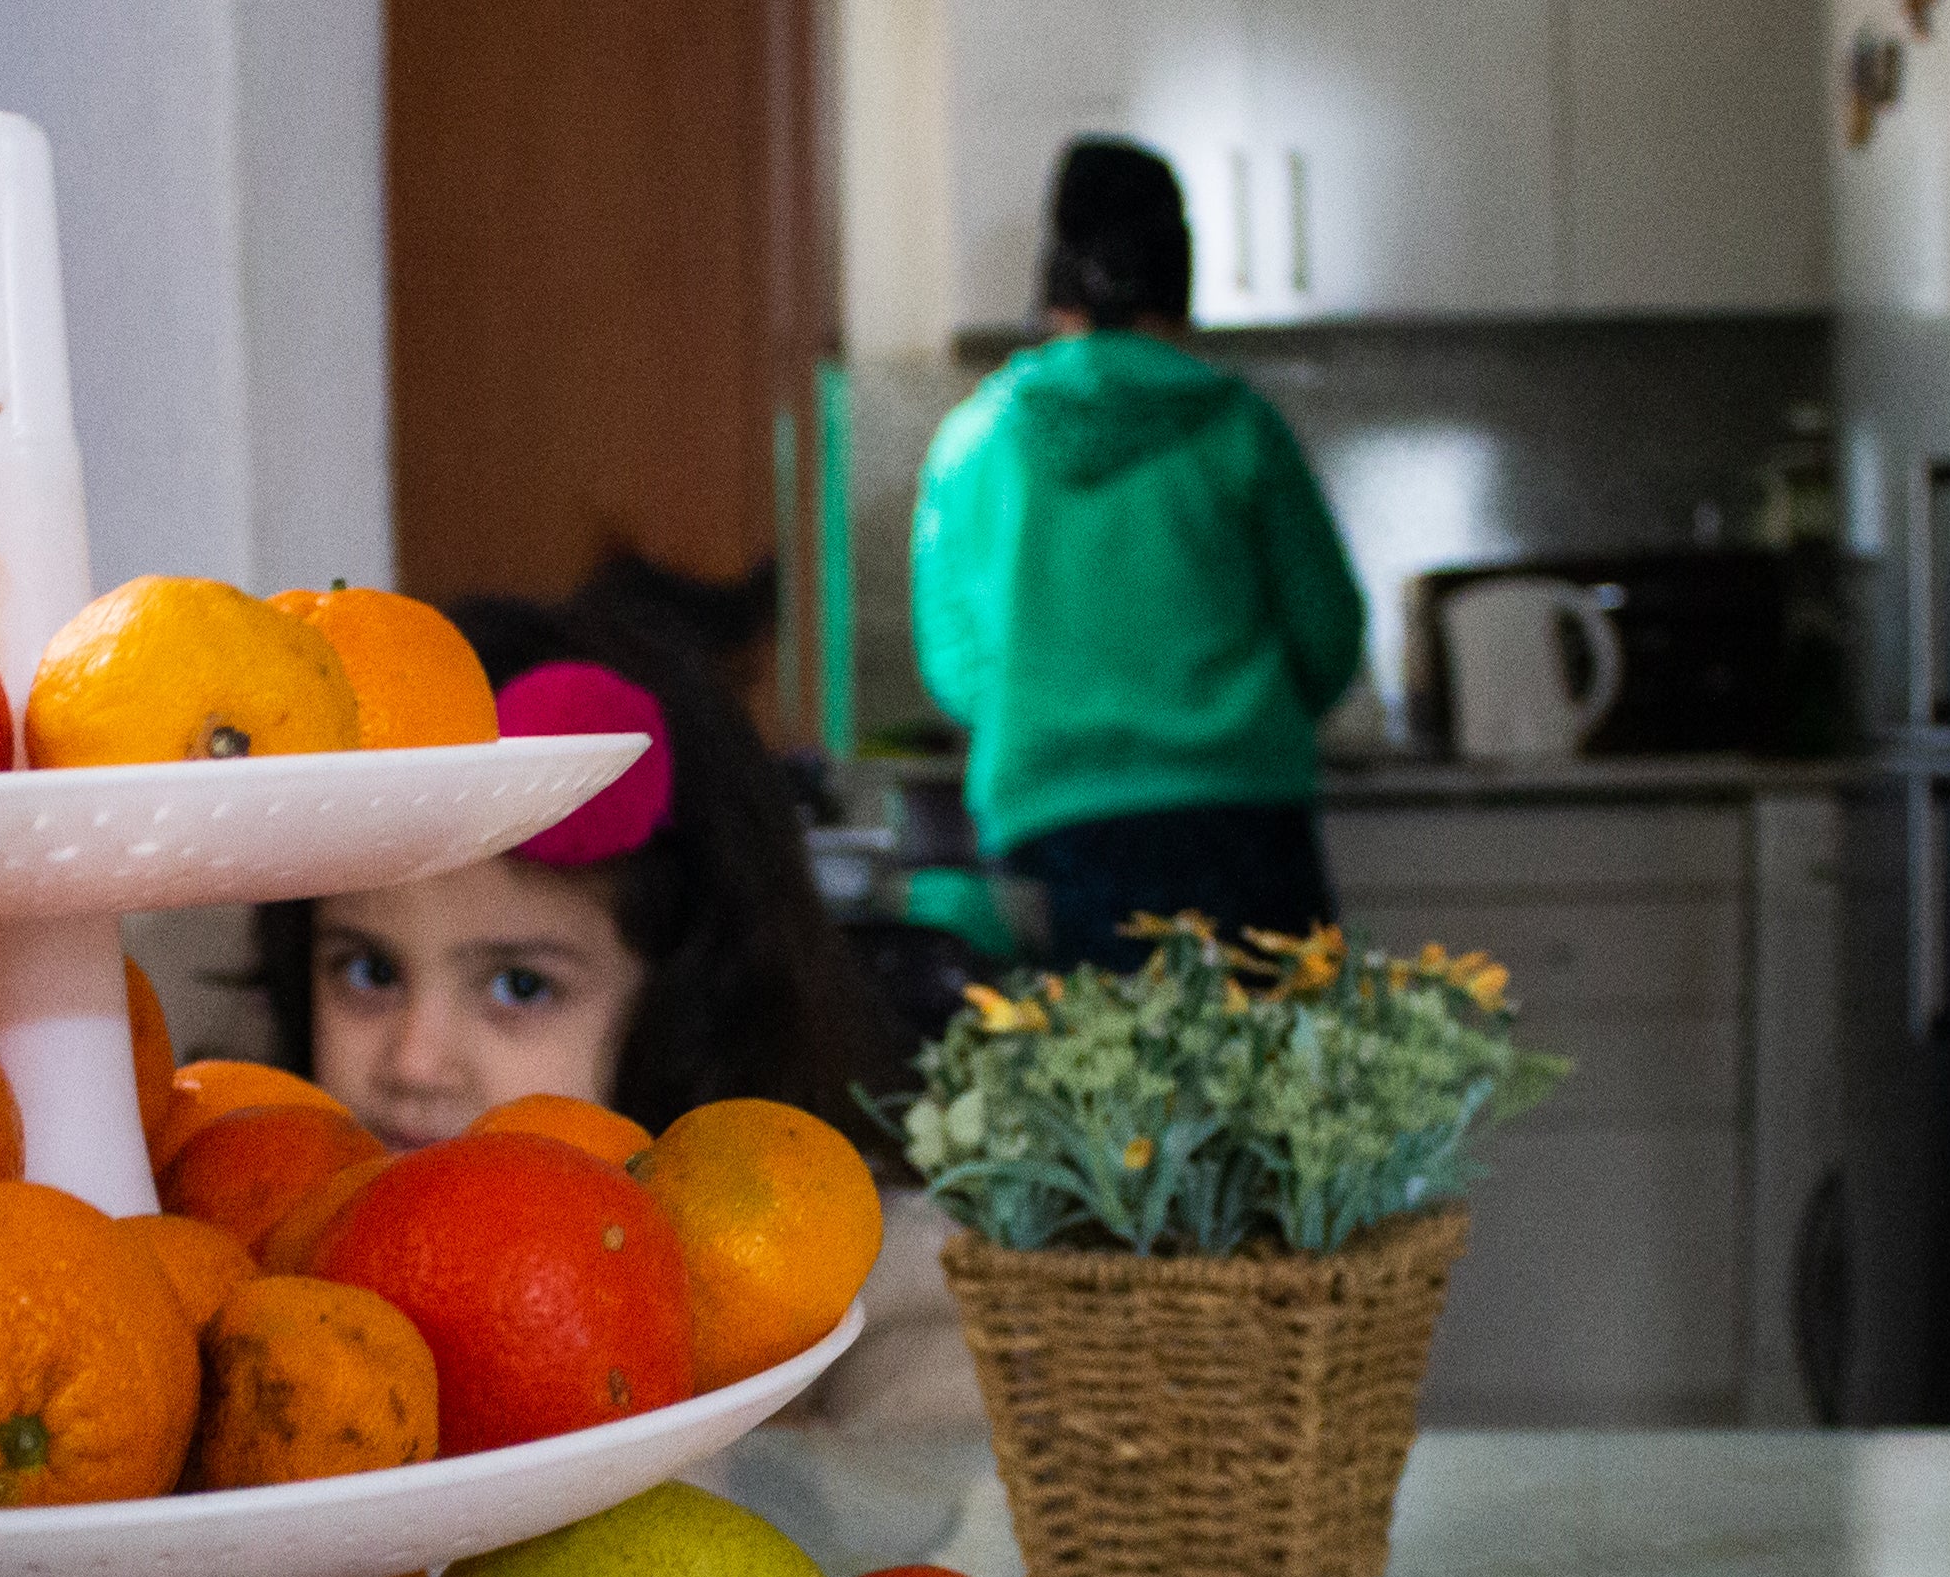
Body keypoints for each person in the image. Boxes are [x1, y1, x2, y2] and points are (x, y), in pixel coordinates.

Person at [248, 569, 977, 1433]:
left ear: (688, 999)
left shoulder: (878, 1301)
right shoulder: (268, 1274)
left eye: (520, 985)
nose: (414, 1063)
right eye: (367, 970)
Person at [911, 136, 1370, 960]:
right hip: (1243, 819)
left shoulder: (975, 441)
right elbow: (1328, 634)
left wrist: (1040, 705)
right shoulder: (1240, 427)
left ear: (1053, 288)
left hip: (1052, 823)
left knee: (1085, 1081)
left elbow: (954, 667)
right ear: (1180, 285)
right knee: (1267, 1081)